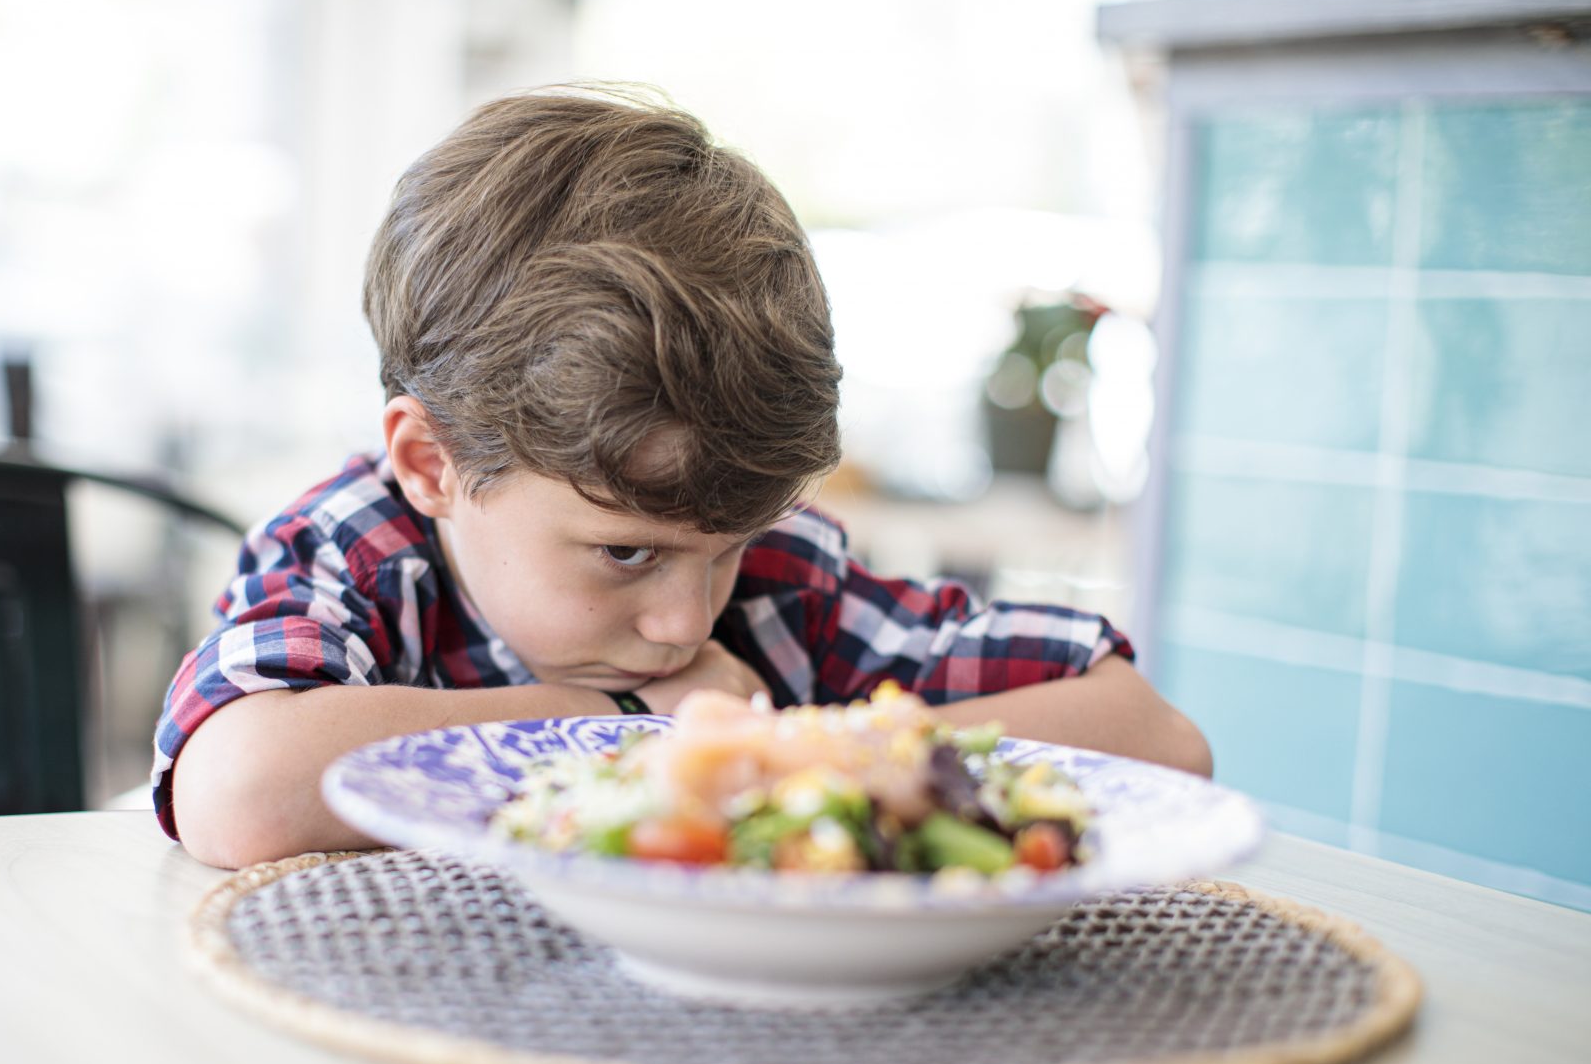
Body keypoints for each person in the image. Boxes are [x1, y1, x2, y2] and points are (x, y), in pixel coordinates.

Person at [156, 87, 1210, 869]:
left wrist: (790, 751)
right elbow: (238, 791)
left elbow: (1157, 739)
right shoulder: (358, 551)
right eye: (626, 552)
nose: (683, 620)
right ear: (433, 463)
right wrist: (620, 719)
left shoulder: (781, 581)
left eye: (725, 550)